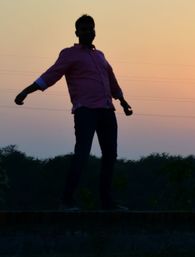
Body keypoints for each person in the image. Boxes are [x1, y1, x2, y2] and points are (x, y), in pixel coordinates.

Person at [14, 14, 133, 211]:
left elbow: (111, 80)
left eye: (91, 28)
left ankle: (106, 202)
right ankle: (66, 200)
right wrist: (26, 91)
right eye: (84, 29)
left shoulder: (100, 56)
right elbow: (51, 75)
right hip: (85, 110)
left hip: (106, 110)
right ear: (77, 32)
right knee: (82, 154)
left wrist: (122, 101)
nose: (88, 32)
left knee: (110, 155)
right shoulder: (69, 54)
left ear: (95, 31)